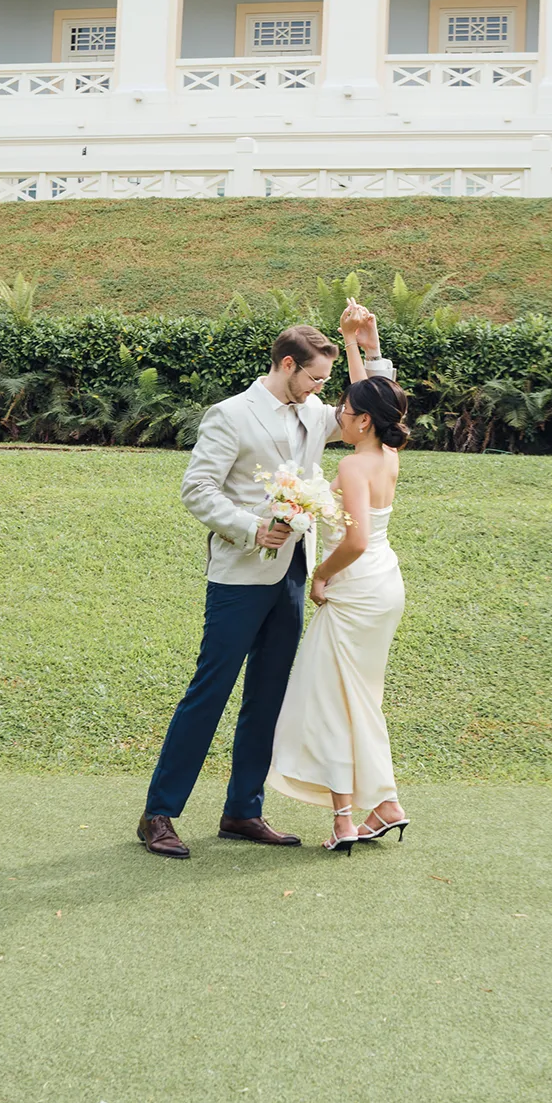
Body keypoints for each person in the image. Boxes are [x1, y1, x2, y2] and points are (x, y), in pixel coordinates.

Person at [137, 304, 394, 859]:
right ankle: (159, 813)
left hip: (294, 576)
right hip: (238, 576)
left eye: (327, 381)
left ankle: (243, 811)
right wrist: (254, 528)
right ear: (286, 365)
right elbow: (198, 490)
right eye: (315, 379)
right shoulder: (229, 415)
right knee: (210, 692)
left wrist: (370, 348)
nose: (323, 391)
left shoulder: (314, 411)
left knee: (268, 696)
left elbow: (374, 409)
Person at [267, 356, 410, 856]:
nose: (339, 414)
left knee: (332, 700)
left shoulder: (351, 464)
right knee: (358, 698)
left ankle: (346, 818)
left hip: (354, 587)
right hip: (384, 586)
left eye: (346, 410)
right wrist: (354, 341)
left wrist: (321, 577)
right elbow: (373, 393)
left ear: (364, 420)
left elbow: (354, 541)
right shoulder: (387, 455)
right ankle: (383, 805)